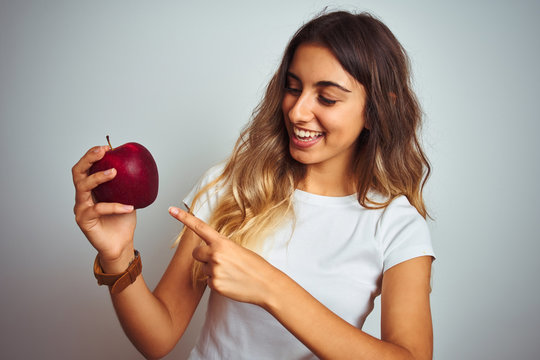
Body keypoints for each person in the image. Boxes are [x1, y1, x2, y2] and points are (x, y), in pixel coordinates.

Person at [72, 10, 435, 360]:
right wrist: (117, 257)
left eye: (326, 97)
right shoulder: (230, 185)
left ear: (375, 111)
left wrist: (269, 286)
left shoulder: (397, 226)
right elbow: (159, 337)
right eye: (293, 88)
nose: (296, 111)